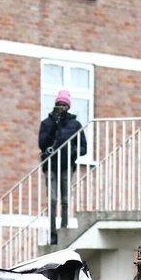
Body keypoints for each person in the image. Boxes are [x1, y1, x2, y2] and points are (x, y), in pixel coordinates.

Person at [38, 92, 85, 242]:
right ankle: (53, 232)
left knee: (65, 199)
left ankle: (63, 228)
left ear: (68, 106)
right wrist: (54, 124)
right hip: (51, 165)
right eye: (59, 104)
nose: (61, 107)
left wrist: (73, 152)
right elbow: (42, 144)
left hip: (67, 165)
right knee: (52, 199)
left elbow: (84, 147)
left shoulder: (74, 124)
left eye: (64, 105)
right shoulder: (47, 123)